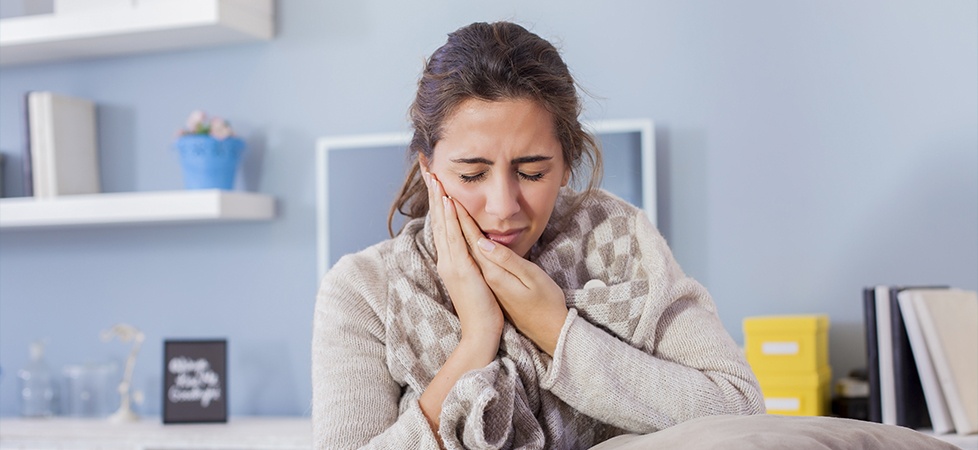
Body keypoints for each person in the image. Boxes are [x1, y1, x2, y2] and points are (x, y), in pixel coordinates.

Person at [312, 21, 764, 449]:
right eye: (472, 175)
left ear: (566, 164)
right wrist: (477, 339)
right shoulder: (363, 289)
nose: (504, 207)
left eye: (531, 172)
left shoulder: (620, 244)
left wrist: (555, 328)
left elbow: (738, 404)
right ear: (428, 169)